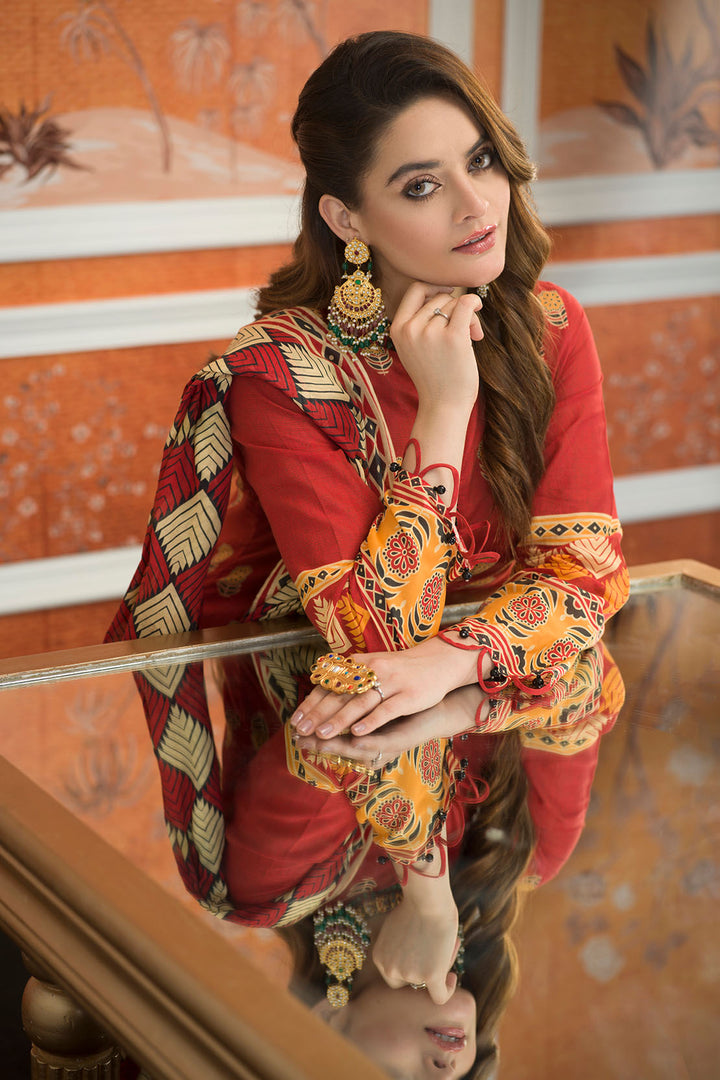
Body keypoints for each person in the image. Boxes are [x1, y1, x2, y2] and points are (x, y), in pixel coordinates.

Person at [106, 29, 629, 1076]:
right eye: (423, 185)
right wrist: (444, 408)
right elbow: (368, 634)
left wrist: (448, 665)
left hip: (399, 698)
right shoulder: (282, 376)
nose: (478, 205)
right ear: (347, 219)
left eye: (480, 162)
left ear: (325, 1033)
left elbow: (586, 575)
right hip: (349, 683)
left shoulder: (548, 327)